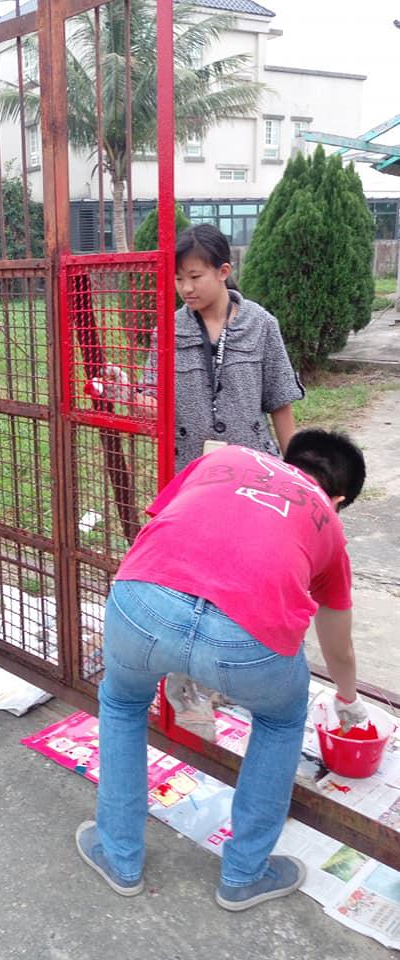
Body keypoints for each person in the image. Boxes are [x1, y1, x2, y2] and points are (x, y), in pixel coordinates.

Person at [75, 430, 368, 910]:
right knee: (280, 720)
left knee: (124, 704)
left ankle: (118, 855)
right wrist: (348, 698)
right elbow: (339, 649)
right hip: (247, 644)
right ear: (336, 498)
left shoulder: (229, 458)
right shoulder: (330, 528)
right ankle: (243, 874)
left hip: (142, 603)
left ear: (282, 458)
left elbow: (171, 526)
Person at [99, 224, 304, 472]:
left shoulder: (261, 324)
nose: (186, 288)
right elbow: (154, 406)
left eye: (195, 277)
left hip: (253, 469)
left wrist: (297, 472)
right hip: (190, 471)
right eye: (178, 279)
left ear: (223, 271)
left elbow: (280, 404)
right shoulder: (167, 331)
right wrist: (127, 393)